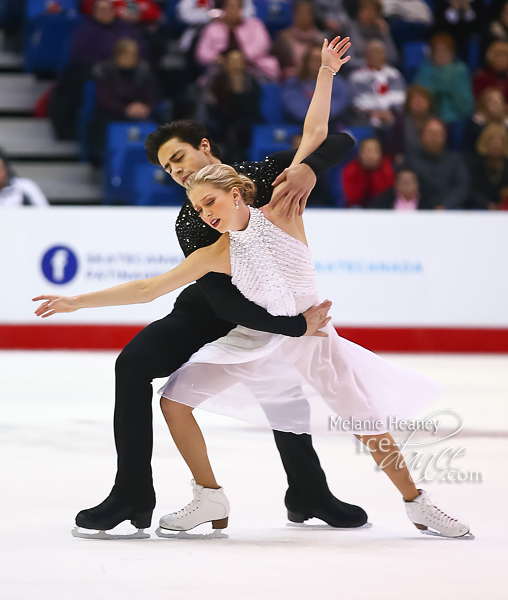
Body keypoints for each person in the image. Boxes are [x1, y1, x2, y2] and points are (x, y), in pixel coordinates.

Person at [34, 39, 471, 538]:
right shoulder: (207, 241)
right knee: (168, 395)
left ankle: (396, 500)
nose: (198, 204)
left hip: (304, 332)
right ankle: (196, 496)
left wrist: (325, 79)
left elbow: (320, 134)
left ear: (227, 179)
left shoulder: (280, 199)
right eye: (175, 179)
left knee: (351, 414)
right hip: (243, 327)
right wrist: (76, 301)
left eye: (183, 164)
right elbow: (154, 288)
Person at [87, 38, 159, 165]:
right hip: (112, 114)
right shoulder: (105, 73)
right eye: (125, 55)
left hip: (139, 115)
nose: (129, 58)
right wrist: (126, 109)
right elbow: (105, 99)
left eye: (133, 55)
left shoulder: (144, 73)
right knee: (101, 122)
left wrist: (145, 107)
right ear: (117, 55)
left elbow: (151, 97)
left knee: (154, 123)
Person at [195, 0, 279, 82]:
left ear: (241, 9)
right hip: (220, 70)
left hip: (252, 68)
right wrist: (216, 58)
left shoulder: (255, 24)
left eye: (236, 7)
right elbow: (201, 53)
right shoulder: (213, 28)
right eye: (230, 7)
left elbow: (262, 45)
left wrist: (239, 58)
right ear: (224, 9)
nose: (233, 11)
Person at [205, 49, 263, 162]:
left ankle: (240, 166)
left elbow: (253, 107)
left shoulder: (251, 81)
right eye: (232, 61)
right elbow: (213, 107)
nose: (236, 64)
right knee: (227, 132)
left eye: (239, 61)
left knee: (239, 130)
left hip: (247, 120)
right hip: (220, 121)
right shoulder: (217, 81)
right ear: (226, 63)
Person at [404, 118, 470, 209]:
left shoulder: (455, 159)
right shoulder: (411, 158)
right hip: (419, 208)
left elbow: (462, 186)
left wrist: (445, 205)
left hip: (450, 207)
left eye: (439, 132)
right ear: (422, 135)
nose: (435, 136)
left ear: (445, 136)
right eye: (431, 132)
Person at [282, 43, 350, 128]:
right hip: (300, 125)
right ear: (306, 61)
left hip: (330, 125)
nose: (316, 62)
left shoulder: (337, 81)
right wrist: (314, 118)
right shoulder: (294, 82)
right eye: (313, 59)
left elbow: (340, 103)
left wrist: (322, 117)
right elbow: (294, 105)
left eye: (320, 59)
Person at [414, 32, 474, 123]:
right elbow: (420, 95)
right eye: (438, 51)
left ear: (452, 53)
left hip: (456, 118)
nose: (442, 55)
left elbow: (466, 102)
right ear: (432, 54)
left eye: (445, 51)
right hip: (428, 118)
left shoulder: (460, 70)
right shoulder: (425, 70)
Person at [348, 40, 406, 128]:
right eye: (371, 53)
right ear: (366, 55)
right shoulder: (357, 76)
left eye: (378, 52)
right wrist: (374, 112)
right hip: (366, 117)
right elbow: (357, 100)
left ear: (384, 54)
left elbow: (400, 96)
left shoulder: (394, 74)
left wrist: (389, 111)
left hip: (392, 114)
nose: (375, 56)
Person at [273, 1, 326, 80]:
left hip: (316, 77)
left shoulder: (321, 39)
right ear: (294, 15)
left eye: (307, 13)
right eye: (301, 13)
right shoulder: (283, 37)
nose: (304, 16)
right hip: (292, 79)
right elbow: (281, 64)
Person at [342, 137, 394, 208]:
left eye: (374, 151)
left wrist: (375, 172)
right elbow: (352, 197)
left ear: (380, 154)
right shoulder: (350, 170)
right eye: (367, 151)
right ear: (360, 153)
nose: (370, 155)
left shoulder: (387, 168)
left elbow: (387, 194)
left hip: (383, 208)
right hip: (357, 208)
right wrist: (363, 171)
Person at [388, 85, 436, 161]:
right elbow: (396, 151)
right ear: (408, 103)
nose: (419, 102)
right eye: (415, 98)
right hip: (408, 163)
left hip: (432, 161)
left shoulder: (437, 123)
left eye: (423, 98)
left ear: (429, 102)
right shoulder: (400, 123)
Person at [347, 0, 399, 70]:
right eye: (366, 10)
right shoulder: (352, 27)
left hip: (382, 69)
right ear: (359, 12)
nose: (369, 14)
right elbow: (350, 60)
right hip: (359, 70)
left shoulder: (381, 29)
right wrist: (371, 63)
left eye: (373, 11)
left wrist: (385, 34)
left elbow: (393, 57)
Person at [469, 122, 508, 209]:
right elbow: (471, 191)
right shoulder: (476, 164)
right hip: (480, 209)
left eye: (500, 141)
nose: (496, 145)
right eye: (492, 141)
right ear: (485, 143)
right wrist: (487, 205)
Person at [464, 87, 508, 154]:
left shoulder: (506, 124)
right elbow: (468, 149)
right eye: (492, 101)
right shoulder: (473, 124)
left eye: (499, 101)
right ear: (484, 105)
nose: (496, 105)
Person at [366, 168, 435, 209]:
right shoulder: (385, 200)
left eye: (409, 182)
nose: (407, 185)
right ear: (396, 184)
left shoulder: (427, 203)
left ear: (417, 184)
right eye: (403, 182)